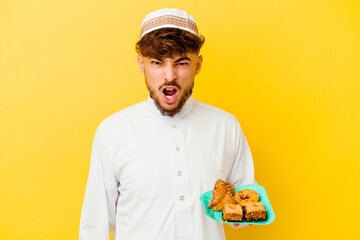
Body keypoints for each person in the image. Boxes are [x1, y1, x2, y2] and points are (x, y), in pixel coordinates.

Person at [79, 8, 255, 240]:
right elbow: (95, 225)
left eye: (181, 63)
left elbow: (246, 206)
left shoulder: (226, 127)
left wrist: (241, 213)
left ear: (198, 65)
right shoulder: (112, 132)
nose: (169, 76)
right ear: (142, 65)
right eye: (157, 63)